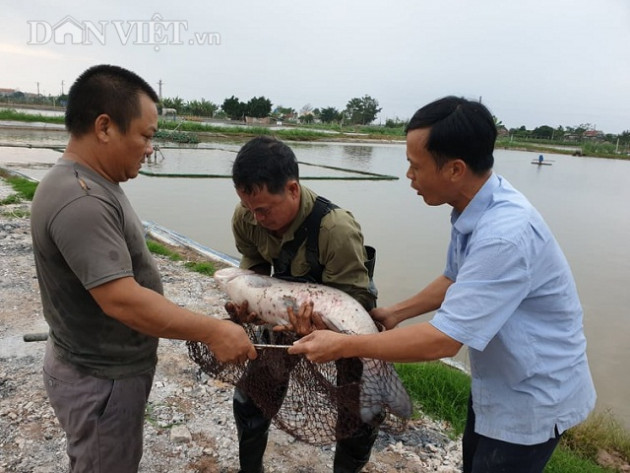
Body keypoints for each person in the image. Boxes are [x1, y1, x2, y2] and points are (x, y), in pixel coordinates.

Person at [289, 96, 596, 473]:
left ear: (454, 169)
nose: (409, 177)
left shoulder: (505, 235)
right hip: (499, 381)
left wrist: (345, 345)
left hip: (533, 394)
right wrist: (396, 313)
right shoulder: (473, 206)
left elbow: (444, 340)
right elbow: (455, 278)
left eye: (415, 166)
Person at [30, 64, 257, 473]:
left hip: (100, 371)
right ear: (104, 127)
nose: (150, 148)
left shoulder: (91, 181)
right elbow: (122, 300)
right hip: (100, 380)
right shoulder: (80, 199)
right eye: (146, 136)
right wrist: (214, 331)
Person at [227, 135, 380, 473]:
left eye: (264, 209)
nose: (256, 217)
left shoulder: (336, 229)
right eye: (250, 208)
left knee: (358, 415)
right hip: (285, 311)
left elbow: (356, 298)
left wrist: (321, 329)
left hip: (343, 317)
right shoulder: (247, 216)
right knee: (252, 397)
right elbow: (254, 264)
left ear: (293, 190)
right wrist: (249, 303)